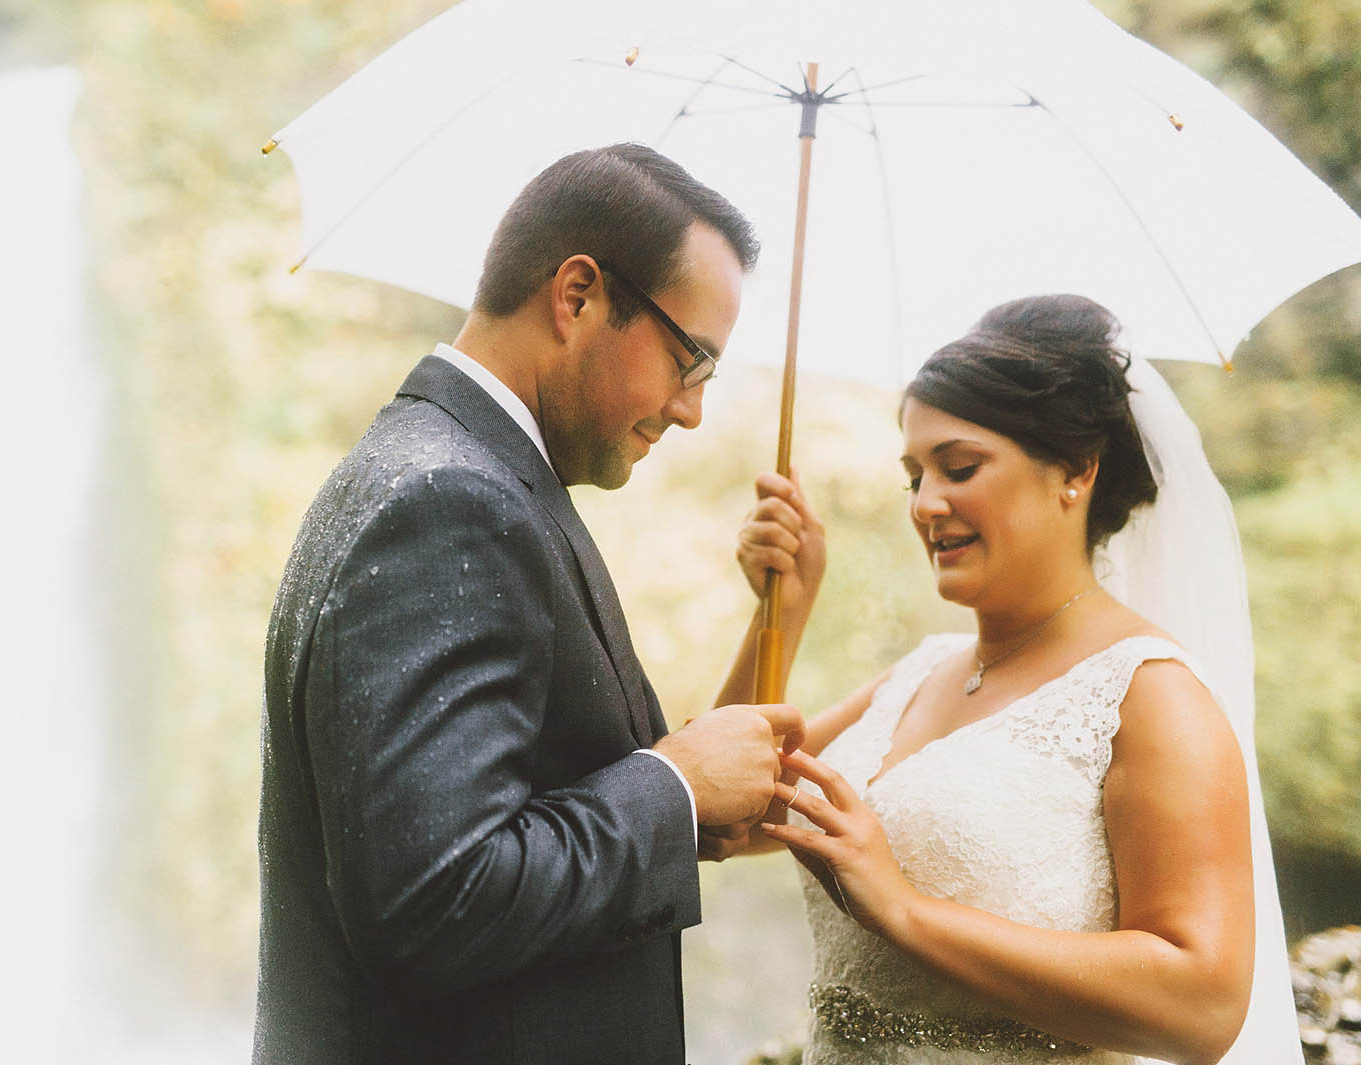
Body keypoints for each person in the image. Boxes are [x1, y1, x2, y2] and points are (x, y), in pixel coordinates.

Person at [253, 142, 805, 1065]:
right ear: (578, 294)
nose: (691, 410)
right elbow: (436, 899)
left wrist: (693, 791)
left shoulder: (436, 469)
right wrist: (673, 786)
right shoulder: (451, 504)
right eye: (690, 360)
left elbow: (535, 809)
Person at [714, 294, 1301, 1064]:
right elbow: (713, 816)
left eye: (959, 467)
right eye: (912, 476)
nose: (926, 504)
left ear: (1076, 469)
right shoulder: (918, 675)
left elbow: (1205, 1002)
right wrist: (780, 613)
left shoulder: (1148, 695)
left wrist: (906, 911)